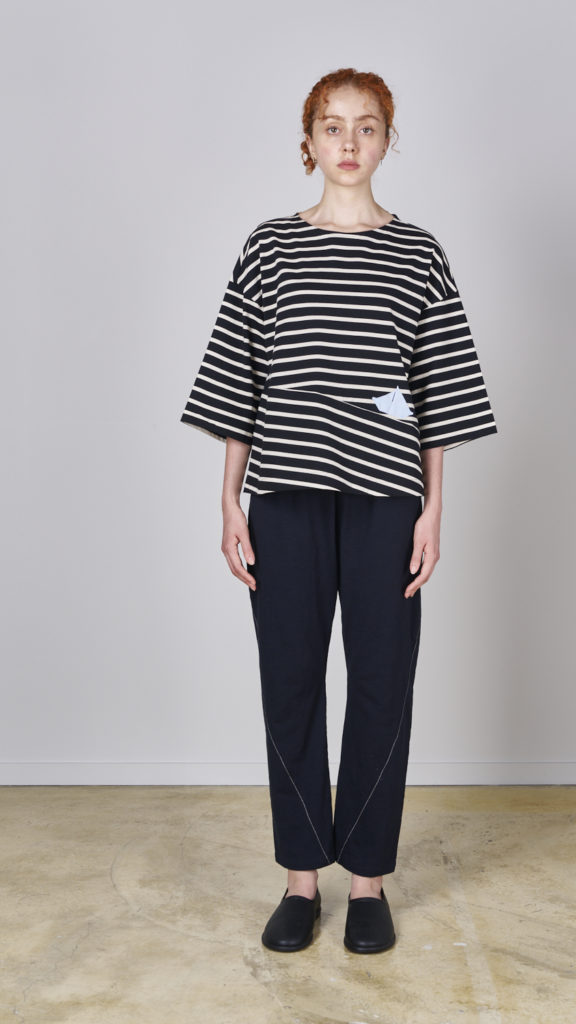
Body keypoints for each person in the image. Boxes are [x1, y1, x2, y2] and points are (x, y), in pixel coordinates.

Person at [180, 67, 497, 954]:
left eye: (365, 126)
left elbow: (436, 392)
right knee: (288, 682)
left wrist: (432, 511)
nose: (348, 142)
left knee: (382, 684)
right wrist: (229, 498)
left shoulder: (418, 253)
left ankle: (366, 882)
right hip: (282, 496)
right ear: (308, 141)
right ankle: (298, 880)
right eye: (331, 126)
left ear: (388, 140)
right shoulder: (269, 247)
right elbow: (238, 376)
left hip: (387, 500)